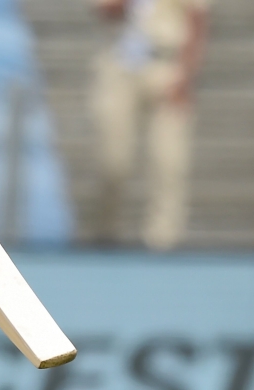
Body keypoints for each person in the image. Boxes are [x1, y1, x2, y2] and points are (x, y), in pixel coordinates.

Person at [87, 0, 209, 250]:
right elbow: (104, 11)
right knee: (113, 160)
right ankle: (105, 234)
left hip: (168, 64)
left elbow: (197, 21)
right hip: (121, 64)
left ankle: (163, 241)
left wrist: (186, 76)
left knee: (168, 161)